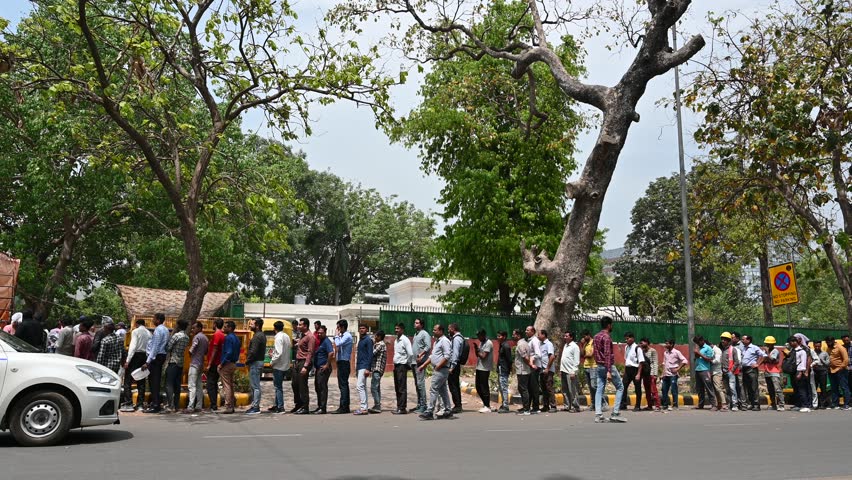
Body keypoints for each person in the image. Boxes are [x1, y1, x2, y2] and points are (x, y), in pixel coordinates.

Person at [594, 317, 626, 423]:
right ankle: (615, 413)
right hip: (608, 366)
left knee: (599, 389)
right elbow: (607, 354)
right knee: (620, 387)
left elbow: (595, 353)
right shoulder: (606, 337)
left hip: (599, 365)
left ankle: (598, 414)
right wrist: (608, 371)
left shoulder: (596, 336)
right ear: (608, 325)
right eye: (611, 324)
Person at [418, 324, 453, 420]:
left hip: (441, 369)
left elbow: (447, 356)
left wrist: (438, 366)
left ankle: (430, 411)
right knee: (443, 390)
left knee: (433, 389)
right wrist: (423, 365)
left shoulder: (445, 341)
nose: (433, 332)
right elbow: (432, 356)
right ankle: (448, 410)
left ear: (441, 331)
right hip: (439, 369)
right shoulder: (437, 342)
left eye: (435, 330)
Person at [141, 313, 169, 413]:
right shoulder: (165, 329)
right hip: (161, 356)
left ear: (158, 320)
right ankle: (155, 403)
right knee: (155, 381)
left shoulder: (158, 330)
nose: (152, 320)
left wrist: (148, 361)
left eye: (154, 319)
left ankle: (155, 405)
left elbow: (155, 347)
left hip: (156, 357)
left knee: (154, 382)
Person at [121, 318, 151, 411]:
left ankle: (128, 403)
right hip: (144, 356)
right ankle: (140, 404)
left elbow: (133, 346)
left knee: (128, 380)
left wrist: (127, 360)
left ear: (137, 324)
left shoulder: (135, 331)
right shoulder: (149, 333)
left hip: (135, 356)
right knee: (141, 380)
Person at [164, 319, 189, 413]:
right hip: (181, 362)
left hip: (173, 361)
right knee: (177, 385)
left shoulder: (176, 336)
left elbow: (168, 347)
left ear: (178, 326)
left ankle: (170, 405)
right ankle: (176, 405)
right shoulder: (186, 337)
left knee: (169, 384)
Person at [581, 330, 608, 412]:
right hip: (586, 366)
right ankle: (593, 404)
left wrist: (585, 355)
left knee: (594, 386)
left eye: (585, 336)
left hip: (594, 366)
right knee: (590, 388)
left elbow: (591, 354)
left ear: (588, 335)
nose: (584, 338)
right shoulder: (585, 344)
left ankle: (603, 403)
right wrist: (582, 345)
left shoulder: (593, 342)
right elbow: (582, 354)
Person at [292, 318, 315, 415]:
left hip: (304, 362)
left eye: (300, 325)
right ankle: (298, 404)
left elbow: (310, 352)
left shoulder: (310, 337)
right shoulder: (302, 335)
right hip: (297, 361)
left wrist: (305, 366)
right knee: (295, 384)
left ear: (305, 326)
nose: (298, 326)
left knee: (302, 385)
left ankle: (305, 407)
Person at [184, 321, 208, 414]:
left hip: (194, 363)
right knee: (199, 385)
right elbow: (206, 351)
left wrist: (190, 352)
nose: (193, 330)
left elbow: (192, 348)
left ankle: (190, 406)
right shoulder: (205, 338)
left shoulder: (197, 337)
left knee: (191, 385)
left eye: (194, 328)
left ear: (199, 328)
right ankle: (199, 405)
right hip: (201, 363)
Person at [244, 318, 266, 415]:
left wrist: (247, 361)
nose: (250, 325)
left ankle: (256, 407)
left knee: (255, 386)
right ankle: (254, 405)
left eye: (252, 324)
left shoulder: (257, 336)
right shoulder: (261, 335)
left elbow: (253, 351)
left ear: (257, 326)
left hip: (255, 363)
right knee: (255, 386)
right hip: (257, 362)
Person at [269, 320, 292, 414]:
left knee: (278, 387)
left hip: (278, 366)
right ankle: (277, 404)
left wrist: (272, 361)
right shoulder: (286, 336)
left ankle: (280, 406)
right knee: (278, 386)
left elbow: (279, 352)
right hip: (285, 364)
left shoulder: (278, 338)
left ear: (274, 328)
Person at [218, 321, 241, 414]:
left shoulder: (228, 338)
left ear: (230, 328)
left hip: (227, 364)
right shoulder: (236, 338)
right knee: (230, 385)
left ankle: (228, 406)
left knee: (227, 386)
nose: (224, 328)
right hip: (233, 363)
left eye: (225, 327)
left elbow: (229, 352)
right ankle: (231, 405)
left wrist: (222, 363)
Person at [332, 319, 353, 414]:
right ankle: (344, 405)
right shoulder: (343, 336)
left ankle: (344, 406)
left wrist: (336, 335)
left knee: (343, 385)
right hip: (341, 362)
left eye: (338, 327)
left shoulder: (347, 336)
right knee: (342, 385)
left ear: (343, 327)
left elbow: (338, 344)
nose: (337, 329)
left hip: (344, 362)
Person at [740, 334, 765, 410]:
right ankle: (751, 403)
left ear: (748, 340)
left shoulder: (754, 347)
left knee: (754, 387)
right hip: (744, 369)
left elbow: (763, 355)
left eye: (743, 339)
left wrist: (757, 364)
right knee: (748, 387)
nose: (742, 341)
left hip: (751, 369)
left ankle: (756, 404)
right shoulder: (743, 348)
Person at [392, 323, 413, 415]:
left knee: (401, 387)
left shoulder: (405, 340)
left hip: (402, 365)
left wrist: (407, 364)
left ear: (402, 330)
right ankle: (399, 406)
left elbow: (410, 353)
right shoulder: (396, 340)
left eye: (398, 329)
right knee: (397, 387)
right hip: (396, 365)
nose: (396, 330)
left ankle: (402, 408)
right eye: (395, 328)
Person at [412, 318, 431, 414]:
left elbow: (428, 346)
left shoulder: (424, 334)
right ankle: (419, 404)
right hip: (414, 362)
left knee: (420, 384)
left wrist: (421, 355)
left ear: (421, 325)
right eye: (415, 322)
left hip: (420, 363)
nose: (415, 324)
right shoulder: (416, 334)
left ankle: (424, 405)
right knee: (417, 384)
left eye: (417, 323)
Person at [621, 332, 645, 411]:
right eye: (625, 339)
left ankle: (637, 406)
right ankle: (623, 404)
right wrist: (625, 371)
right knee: (623, 386)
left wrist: (638, 374)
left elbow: (641, 362)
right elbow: (626, 360)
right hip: (628, 370)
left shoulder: (637, 348)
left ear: (632, 338)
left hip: (635, 369)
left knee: (637, 388)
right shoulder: (626, 347)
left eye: (627, 338)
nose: (626, 340)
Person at [205, 318, 225, 412]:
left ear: (215, 324)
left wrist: (209, 363)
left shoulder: (217, 334)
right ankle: (213, 404)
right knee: (213, 384)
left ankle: (213, 405)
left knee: (210, 384)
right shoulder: (222, 335)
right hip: (217, 362)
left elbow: (215, 349)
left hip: (214, 363)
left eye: (213, 324)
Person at [693, 335, 717, 411]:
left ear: (702, 340)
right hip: (698, 369)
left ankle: (714, 405)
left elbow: (709, 359)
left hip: (705, 370)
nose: (697, 344)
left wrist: (699, 353)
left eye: (698, 342)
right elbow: (697, 357)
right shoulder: (699, 348)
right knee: (699, 389)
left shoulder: (708, 348)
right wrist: (696, 353)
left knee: (709, 387)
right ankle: (701, 404)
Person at [353, 324, 374, 415]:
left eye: (363, 328)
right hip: (359, 366)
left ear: (366, 330)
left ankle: (363, 408)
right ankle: (365, 407)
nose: (361, 330)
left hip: (364, 366)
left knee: (359, 386)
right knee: (363, 387)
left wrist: (368, 368)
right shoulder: (361, 340)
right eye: (360, 328)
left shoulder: (368, 340)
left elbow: (370, 354)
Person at [661, 339, 687, 411]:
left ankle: (675, 405)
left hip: (673, 375)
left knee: (673, 389)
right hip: (666, 374)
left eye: (667, 343)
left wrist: (678, 369)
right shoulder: (665, 353)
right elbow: (664, 363)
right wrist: (663, 373)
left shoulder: (677, 352)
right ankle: (665, 405)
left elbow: (685, 361)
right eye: (665, 343)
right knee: (664, 389)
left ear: (671, 344)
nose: (666, 345)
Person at [311, 325, 332, 414]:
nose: (319, 334)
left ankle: (323, 408)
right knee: (318, 387)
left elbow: (331, 353)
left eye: (321, 333)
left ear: (325, 332)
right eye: (318, 333)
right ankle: (319, 406)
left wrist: (327, 365)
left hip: (323, 368)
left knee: (322, 388)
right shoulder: (320, 341)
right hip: (318, 368)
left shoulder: (327, 341)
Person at [826, 336, 851, 410]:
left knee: (844, 387)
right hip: (831, 370)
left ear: (833, 341)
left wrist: (841, 368)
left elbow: (846, 359)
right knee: (834, 388)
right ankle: (835, 404)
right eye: (827, 342)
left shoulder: (840, 348)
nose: (828, 343)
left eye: (829, 342)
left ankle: (847, 404)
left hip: (841, 370)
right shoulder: (828, 348)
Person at [719, 332, 741, 412]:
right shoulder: (722, 349)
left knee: (732, 389)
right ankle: (729, 404)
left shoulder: (733, 349)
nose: (722, 341)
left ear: (728, 341)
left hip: (730, 372)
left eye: (724, 340)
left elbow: (737, 362)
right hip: (724, 372)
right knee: (727, 390)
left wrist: (731, 371)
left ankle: (735, 405)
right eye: (722, 339)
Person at [788, 336, 812, 412]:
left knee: (802, 389)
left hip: (799, 372)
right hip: (793, 372)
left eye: (790, 343)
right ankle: (798, 405)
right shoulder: (792, 351)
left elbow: (803, 363)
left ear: (794, 342)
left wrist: (801, 373)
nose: (790, 344)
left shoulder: (802, 351)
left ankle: (805, 405)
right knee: (796, 389)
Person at [560, 331, 581, 412]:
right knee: (565, 390)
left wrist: (573, 371)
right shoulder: (565, 345)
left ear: (571, 337)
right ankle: (567, 405)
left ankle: (576, 406)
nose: (564, 337)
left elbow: (576, 360)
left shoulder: (575, 347)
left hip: (570, 371)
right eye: (564, 336)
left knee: (572, 390)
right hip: (564, 370)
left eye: (566, 336)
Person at [513, 328, 533, 415]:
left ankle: (526, 409)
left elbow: (525, 357)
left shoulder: (521, 344)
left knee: (523, 389)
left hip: (522, 370)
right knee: (522, 389)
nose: (513, 336)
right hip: (524, 370)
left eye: (514, 334)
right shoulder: (525, 343)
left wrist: (530, 364)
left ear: (518, 335)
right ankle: (526, 407)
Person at [762, 336, 784, 411]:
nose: (767, 345)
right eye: (767, 344)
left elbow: (771, 360)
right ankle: (773, 404)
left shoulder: (775, 351)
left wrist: (767, 353)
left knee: (777, 389)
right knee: (770, 389)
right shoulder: (766, 352)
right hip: (767, 372)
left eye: (769, 344)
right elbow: (764, 359)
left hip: (774, 372)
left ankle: (781, 405)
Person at [474, 329, 493, 413]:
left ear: (483, 335)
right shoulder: (481, 343)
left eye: (479, 336)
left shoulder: (488, 343)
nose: (478, 338)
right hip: (479, 367)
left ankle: (487, 406)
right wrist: (476, 349)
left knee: (484, 387)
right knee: (478, 387)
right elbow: (477, 355)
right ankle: (485, 404)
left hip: (485, 368)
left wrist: (478, 351)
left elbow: (483, 356)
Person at [639, 338, 661, 411]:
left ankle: (657, 405)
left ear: (646, 343)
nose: (641, 344)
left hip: (651, 373)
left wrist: (655, 374)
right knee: (647, 390)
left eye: (642, 343)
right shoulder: (642, 351)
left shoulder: (652, 351)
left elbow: (655, 362)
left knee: (653, 390)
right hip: (645, 373)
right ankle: (649, 405)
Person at [447, 323, 465, 414]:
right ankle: (457, 405)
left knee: (453, 385)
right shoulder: (458, 338)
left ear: (453, 329)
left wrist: (452, 367)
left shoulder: (457, 339)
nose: (448, 331)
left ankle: (457, 405)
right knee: (454, 385)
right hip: (455, 365)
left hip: (454, 365)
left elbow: (455, 353)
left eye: (449, 329)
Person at [368, 330, 387, 414]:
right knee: (377, 388)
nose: (374, 337)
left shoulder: (380, 345)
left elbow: (372, 353)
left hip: (377, 368)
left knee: (374, 388)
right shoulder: (380, 344)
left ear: (379, 337)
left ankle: (377, 405)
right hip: (377, 369)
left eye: (376, 336)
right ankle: (377, 405)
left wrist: (371, 343)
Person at [537, 330, 556, 412]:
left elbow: (552, 357)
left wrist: (547, 368)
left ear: (544, 335)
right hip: (542, 369)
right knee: (543, 388)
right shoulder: (540, 344)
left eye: (539, 335)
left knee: (549, 388)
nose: (538, 336)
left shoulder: (548, 344)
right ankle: (546, 405)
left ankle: (553, 406)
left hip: (548, 370)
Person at [526, 325, 542, 413]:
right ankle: (528, 406)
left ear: (532, 332)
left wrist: (532, 359)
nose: (526, 331)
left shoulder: (535, 341)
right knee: (529, 387)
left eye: (528, 330)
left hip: (535, 367)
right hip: (530, 366)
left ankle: (536, 407)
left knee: (534, 387)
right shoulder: (529, 340)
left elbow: (538, 354)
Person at [496, 330, 512, 413]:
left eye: (499, 336)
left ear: (504, 337)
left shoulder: (506, 346)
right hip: (501, 369)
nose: (498, 337)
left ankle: (506, 406)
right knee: (501, 388)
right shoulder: (502, 345)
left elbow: (509, 360)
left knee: (504, 387)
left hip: (504, 370)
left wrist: (508, 369)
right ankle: (503, 403)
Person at [730, 331, 747, 409]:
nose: (731, 339)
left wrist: (740, 367)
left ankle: (743, 404)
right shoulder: (731, 345)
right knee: (734, 386)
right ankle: (737, 402)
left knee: (740, 386)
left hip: (739, 369)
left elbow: (743, 357)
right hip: (733, 369)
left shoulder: (741, 346)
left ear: (737, 338)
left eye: (732, 337)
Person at [811, 341, 829, 409]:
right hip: (814, 371)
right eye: (816, 346)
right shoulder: (811, 353)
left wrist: (822, 361)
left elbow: (828, 363)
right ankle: (814, 403)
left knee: (823, 388)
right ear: (813, 345)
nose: (817, 347)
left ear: (821, 345)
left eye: (819, 346)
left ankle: (823, 404)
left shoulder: (824, 353)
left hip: (822, 371)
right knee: (814, 388)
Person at [710, 341, 727, 411]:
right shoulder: (713, 350)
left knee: (718, 388)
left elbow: (717, 360)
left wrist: (709, 360)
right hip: (712, 372)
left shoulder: (717, 350)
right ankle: (719, 404)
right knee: (715, 389)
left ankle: (724, 404)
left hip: (717, 372)